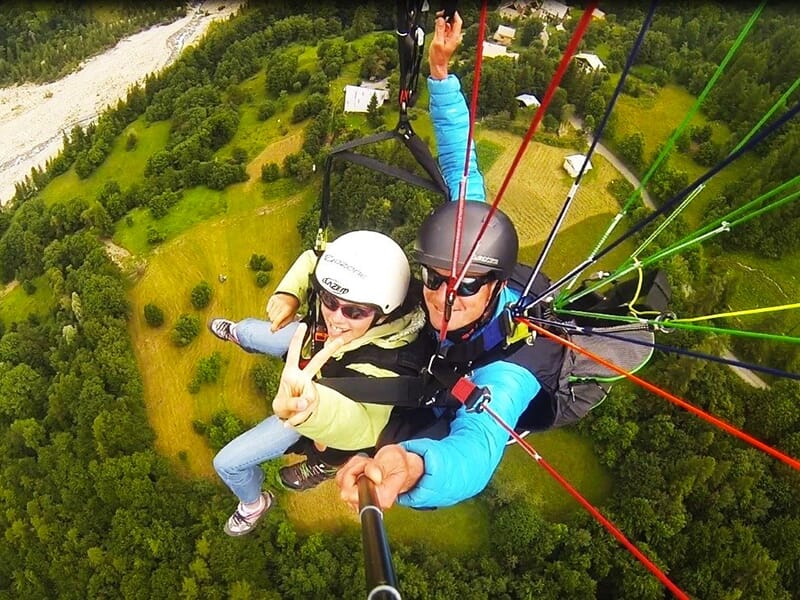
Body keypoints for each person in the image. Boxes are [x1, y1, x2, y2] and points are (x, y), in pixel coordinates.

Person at [273, 11, 545, 511]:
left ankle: (333, 456)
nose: (446, 295)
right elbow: (461, 162)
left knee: (394, 423)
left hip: (442, 401)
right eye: (435, 278)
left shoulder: (512, 367)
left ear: (493, 287)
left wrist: (417, 468)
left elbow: (477, 449)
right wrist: (440, 76)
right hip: (423, 356)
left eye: (465, 287)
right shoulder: (471, 239)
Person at [210, 230, 426, 536]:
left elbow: (366, 425)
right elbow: (314, 261)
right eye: (329, 299)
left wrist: (312, 409)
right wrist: (290, 293)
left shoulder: (392, 362)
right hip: (313, 345)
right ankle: (237, 334)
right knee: (250, 331)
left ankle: (253, 504)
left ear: (383, 314)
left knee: (227, 464)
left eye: (354, 311)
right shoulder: (365, 294)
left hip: (318, 400)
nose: (335, 317)